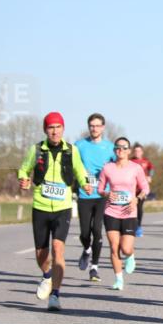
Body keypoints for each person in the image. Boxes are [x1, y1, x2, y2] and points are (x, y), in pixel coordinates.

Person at [17, 112, 92, 311]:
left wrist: (85, 184)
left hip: (62, 207)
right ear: (45, 130)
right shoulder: (36, 150)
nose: (55, 131)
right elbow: (24, 169)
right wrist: (23, 179)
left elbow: (80, 171)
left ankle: (56, 295)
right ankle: (47, 276)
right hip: (40, 206)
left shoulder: (72, 151)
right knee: (41, 254)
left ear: (63, 129)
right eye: (51, 127)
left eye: (58, 127)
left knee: (58, 249)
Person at [99, 137, 150, 291]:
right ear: (114, 150)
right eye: (117, 148)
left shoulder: (136, 168)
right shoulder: (108, 168)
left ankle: (130, 255)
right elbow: (100, 189)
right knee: (114, 247)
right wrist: (107, 194)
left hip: (129, 213)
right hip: (111, 211)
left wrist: (137, 198)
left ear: (129, 150)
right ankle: (118, 279)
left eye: (123, 147)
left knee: (125, 248)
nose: (120, 150)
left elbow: (145, 188)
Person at [74, 113, 115, 282]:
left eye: (98, 125)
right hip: (85, 194)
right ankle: (87, 250)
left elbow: (117, 167)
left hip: (102, 195)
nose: (94, 128)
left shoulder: (110, 147)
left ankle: (95, 267)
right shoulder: (79, 145)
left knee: (97, 230)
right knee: (85, 233)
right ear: (88, 127)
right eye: (92, 125)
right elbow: (73, 167)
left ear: (103, 127)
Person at [130, 143, 154, 237]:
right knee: (132, 208)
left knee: (139, 208)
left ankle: (138, 226)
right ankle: (131, 226)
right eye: (135, 151)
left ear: (142, 152)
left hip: (141, 189)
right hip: (131, 188)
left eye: (139, 151)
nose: (137, 152)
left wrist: (150, 176)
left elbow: (151, 169)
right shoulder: (130, 161)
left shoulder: (146, 161)